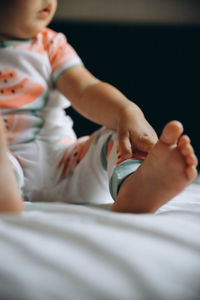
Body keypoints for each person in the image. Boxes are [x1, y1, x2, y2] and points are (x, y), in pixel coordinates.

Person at [0, 0, 198, 214]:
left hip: (66, 167)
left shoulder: (51, 46)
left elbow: (86, 89)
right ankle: (6, 193)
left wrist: (125, 111)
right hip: (8, 164)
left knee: (117, 138)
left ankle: (134, 184)